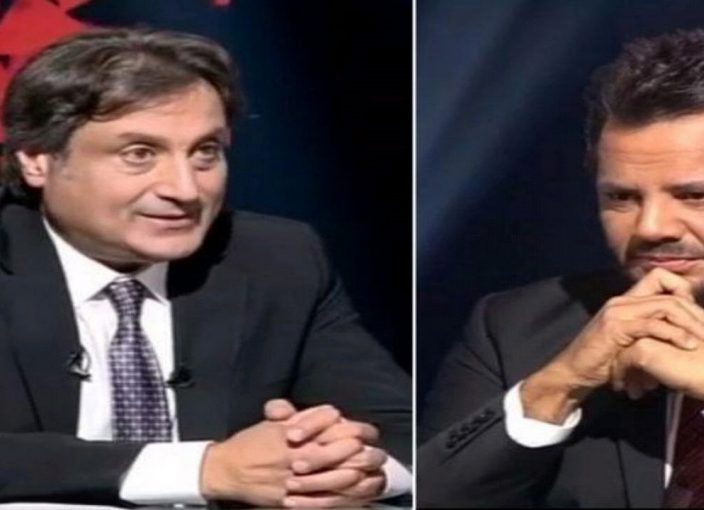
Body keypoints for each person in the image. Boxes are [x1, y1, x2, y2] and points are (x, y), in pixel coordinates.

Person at [0, 28, 411, 507]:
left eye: (205, 152)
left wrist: (349, 470)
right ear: (37, 161)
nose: (186, 189)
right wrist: (205, 468)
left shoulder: (277, 259)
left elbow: (403, 433)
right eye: (139, 154)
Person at [418, 29, 704, 508]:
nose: (651, 228)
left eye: (696, 196)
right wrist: (557, 387)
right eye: (622, 198)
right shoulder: (515, 327)